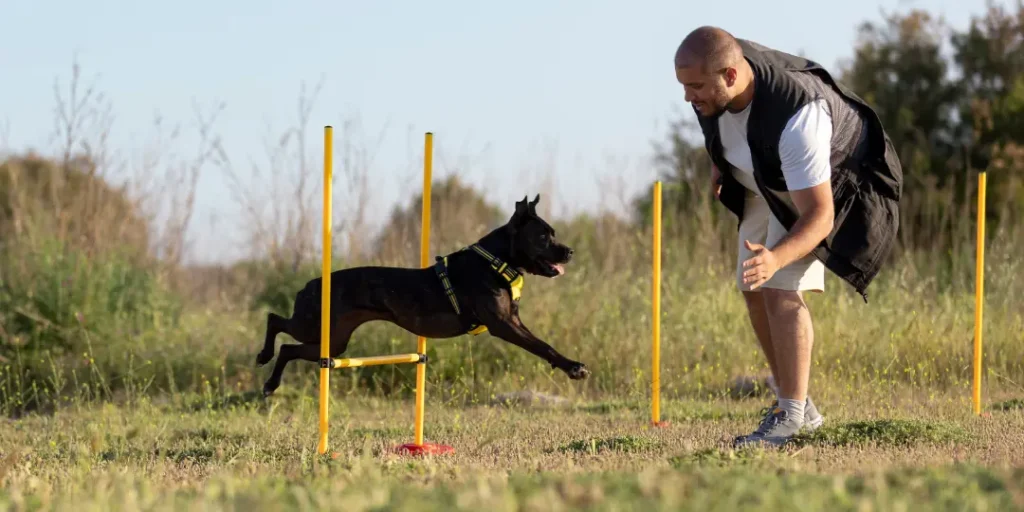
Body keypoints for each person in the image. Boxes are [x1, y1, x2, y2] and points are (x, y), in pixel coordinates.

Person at [673, 26, 902, 447]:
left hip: (825, 183)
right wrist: (722, 162)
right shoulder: (713, 83)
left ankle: (792, 419)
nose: (689, 97)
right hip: (767, 173)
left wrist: (777, 257)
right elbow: (725, 123)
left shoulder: (798, 120)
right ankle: (795, 404)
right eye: (683, 86)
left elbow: (819, 217)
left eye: (696, 87)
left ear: (730, 76)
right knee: (751, 283)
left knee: (778, 285)